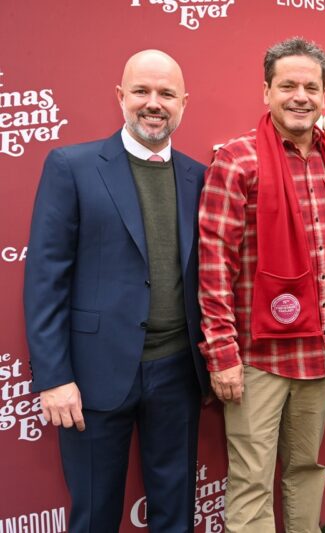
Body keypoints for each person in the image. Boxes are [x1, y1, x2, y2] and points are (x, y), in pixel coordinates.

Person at [197, 37, 325, 532]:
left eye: (311, 87)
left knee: (305, 470)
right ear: (266, 92)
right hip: (258, 360)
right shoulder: (237, 161)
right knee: (252, 480)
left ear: (324, 96)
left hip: (318, 355)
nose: (300, 96)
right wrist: (223, 355)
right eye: (288, 86)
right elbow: (215, 265)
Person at [24, 49, 209, 532]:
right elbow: (46, 280)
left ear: (183, 103)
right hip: (90, 379)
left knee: (176, 514)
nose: (154, 103)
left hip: (177, 374)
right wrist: (53, 377)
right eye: (142, 91)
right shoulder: (72, 166)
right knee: (94, 516)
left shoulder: (198, 176)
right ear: (120, 96)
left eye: (166, 94)